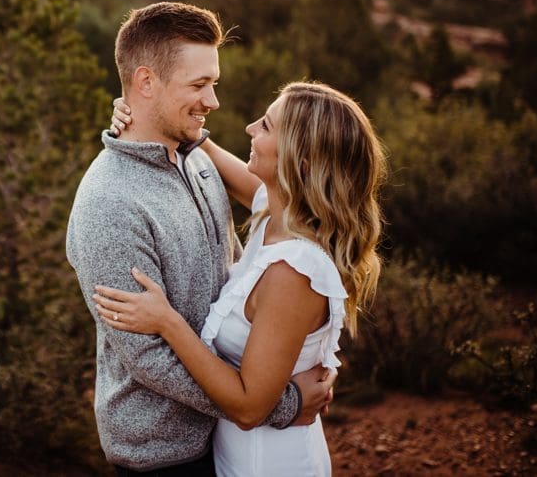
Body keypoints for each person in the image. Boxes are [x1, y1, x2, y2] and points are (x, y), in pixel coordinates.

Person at [66, 2, 336, 476]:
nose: (213, 102)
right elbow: (147, 357)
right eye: (199, 86)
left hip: (226, 440)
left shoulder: (196, 163)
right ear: (146, 83)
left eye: (213, 83)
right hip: (166, 456)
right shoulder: (110, 203)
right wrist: (277, 405)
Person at [96, 81, 385, 476]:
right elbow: (202, 147)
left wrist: (167, 322)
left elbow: (249, 407)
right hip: (234, 456)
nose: (250, 128)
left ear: (299, 163)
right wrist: (148, 121)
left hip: (268, 464)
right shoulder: (282, 215)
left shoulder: (293, 271)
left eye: (265, 126)